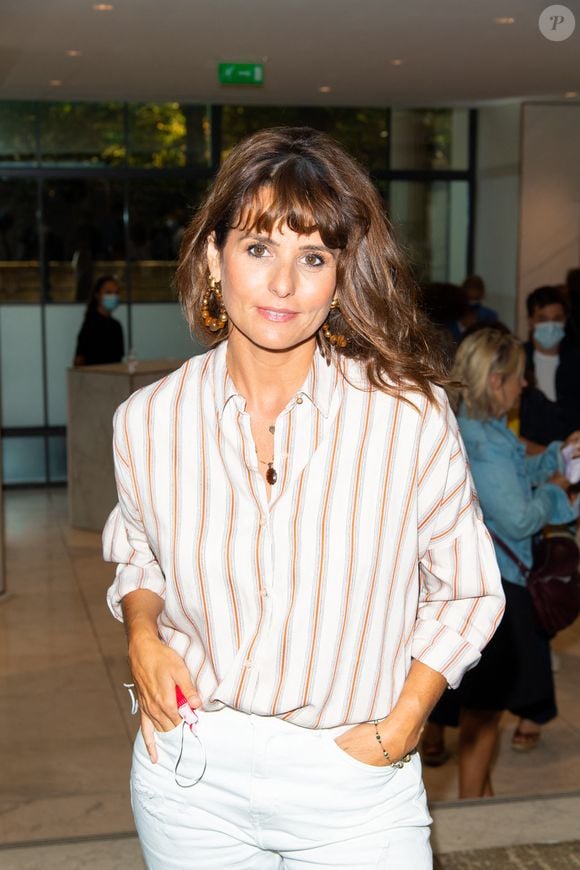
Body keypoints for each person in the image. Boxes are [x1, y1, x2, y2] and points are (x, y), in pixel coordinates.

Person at [103, 127, 504, 869]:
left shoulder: (405, 417)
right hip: (190, 773)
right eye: (259, 249)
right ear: (213, 259)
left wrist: (407, 720)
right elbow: (136, 553)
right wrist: (142, 635)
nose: (284, 284)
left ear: (341, 276)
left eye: (313, 256)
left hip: (352, 776)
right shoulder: (148, 421)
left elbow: (470, 591)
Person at [427, 329, 579, 797]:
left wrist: (558, 455)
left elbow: (513, 476)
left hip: (481, 581)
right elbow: (516, 519)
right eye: (517, 377)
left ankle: (482, 795)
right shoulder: (486, 442)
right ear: (495, 381)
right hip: (497, 590)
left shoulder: (476, 428)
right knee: (484, 712)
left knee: (481, 707)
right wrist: (559, 490)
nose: (524, 385)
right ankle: (477, 814)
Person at [519, 285, 580, 445]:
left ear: (565, 320)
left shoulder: (575, 361)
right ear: (530, 321)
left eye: (557, 319)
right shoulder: (517, 361)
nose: (551, 326)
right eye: (543, 319)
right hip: (528, 453)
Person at [73, 275, 124, 366]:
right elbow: (79, 361)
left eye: (116, 293)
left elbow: (118, 360)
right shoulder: (90, 325)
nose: (113, 296)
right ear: (97, 295)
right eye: (108, 292)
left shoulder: (116, 326)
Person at [448, 275, 498, 342]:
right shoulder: (451, 317)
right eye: (469, 299)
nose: (472, 303)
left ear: (482, 296)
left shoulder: (490, 316)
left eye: (476, 299)